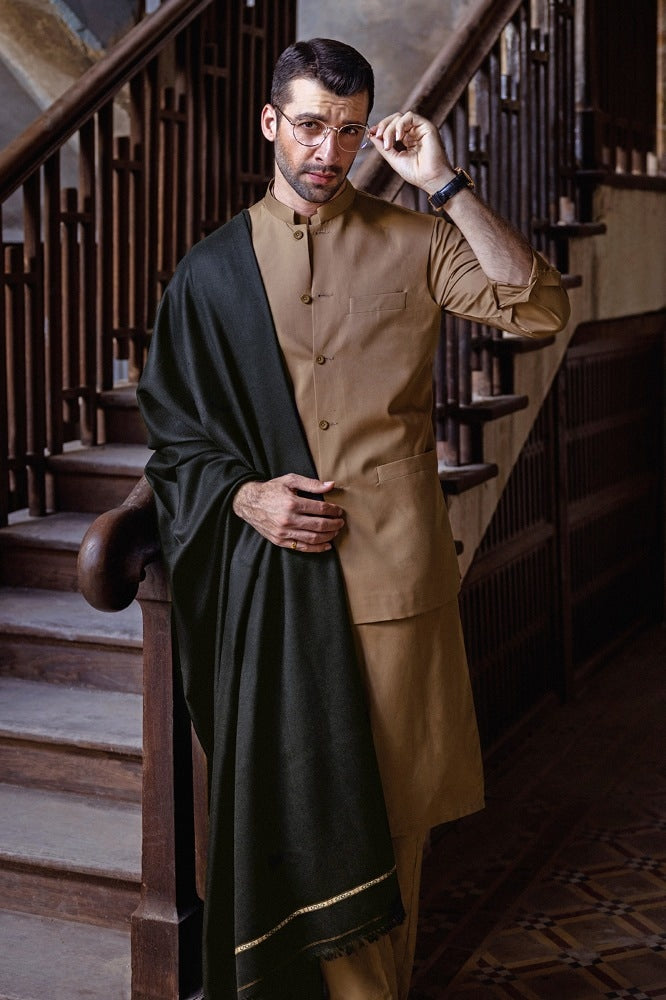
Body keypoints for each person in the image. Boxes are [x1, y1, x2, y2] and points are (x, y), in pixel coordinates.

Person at [137, 37, 570, 1000]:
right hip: (271, 595)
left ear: (369, 132)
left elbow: (539, 309)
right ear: (270, 123)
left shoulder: (416, 241)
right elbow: (174, 434)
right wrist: (244, 496)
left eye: (346, 131)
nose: (325, 152)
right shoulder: (211, 274)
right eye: (307, 127)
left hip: (392, 588)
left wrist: (443, 184)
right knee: (289, 821)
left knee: (391, 826)